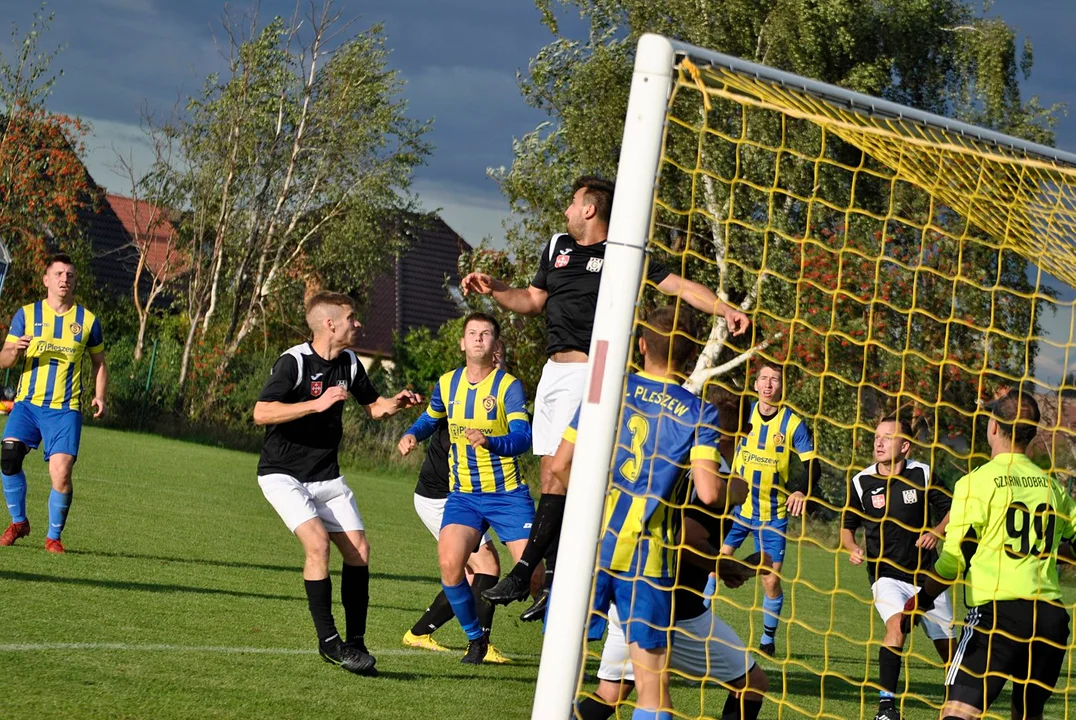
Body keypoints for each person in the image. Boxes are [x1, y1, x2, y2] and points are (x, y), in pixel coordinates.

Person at [469, 175, 750, 621]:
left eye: (571, 202)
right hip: (554, 374)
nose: (565, 211)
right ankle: (551, 577)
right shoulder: (557, 245)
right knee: (551, 473)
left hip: (592, 371)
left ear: (590, 209)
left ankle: (535, 574)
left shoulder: (623, 253)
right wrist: (497, 288)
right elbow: (533, 299)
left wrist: (726, 309)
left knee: (563, 472)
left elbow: (677, 286)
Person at [550, 306, 730, 720]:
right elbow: (707, 492)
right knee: (652, 685)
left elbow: (559, 466)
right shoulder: (700, 412)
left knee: (562, 663)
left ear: (643, 344)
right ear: (689, 355)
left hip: (592, 549)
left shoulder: (610, 388)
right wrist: (731, 487)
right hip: (650, 558)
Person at [253, 291, 422, 676]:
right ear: (330, 324)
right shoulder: (293, 361)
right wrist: (316, 403)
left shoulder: (348, 362)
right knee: (317, 544)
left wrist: (395, 402)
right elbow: (261, 412)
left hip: (326, 475)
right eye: (352, 317)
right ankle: (330, 643)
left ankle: (356, 645)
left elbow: (374, 407)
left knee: (359, 550)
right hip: (282, 474)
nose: (357, 323)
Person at [901, 391, 1075, 720]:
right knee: (1028, 714)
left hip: (999, 617)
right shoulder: (1053, 488)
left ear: (993, 427)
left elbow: (954, 560)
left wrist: (921, 602)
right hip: (1050, 620)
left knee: (956, 713)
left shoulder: (976, 483)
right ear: (1033, 433)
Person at [397, 312, 534, 664]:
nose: (477, 338)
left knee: (533, 575)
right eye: (472, 333)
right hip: (464, 497)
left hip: (507, 495)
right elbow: (431, 417)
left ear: (494, 344)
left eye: (485, 334)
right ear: (462, 342)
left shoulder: (508, 386)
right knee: (450, 565)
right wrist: (413, 433)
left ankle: (562, 645)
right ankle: (476, 641)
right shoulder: (447, 383)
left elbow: (523, 438)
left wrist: (491, 442)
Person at [575, 492, 771, 720]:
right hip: (675, 613)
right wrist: (730, 568)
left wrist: (731, 568)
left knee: (610, 693)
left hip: (628, 595)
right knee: (751, 685)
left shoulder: (665, 475)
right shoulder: (714, 487)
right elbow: (687, 540)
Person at [842, 415, 954, 720]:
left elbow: (951, 509)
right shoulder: (861, 481)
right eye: (877, 436)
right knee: (897, 625)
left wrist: (936, 532)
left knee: (950, 652)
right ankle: (886, 709)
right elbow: (847, 526)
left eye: (887, 437)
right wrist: (852, 548)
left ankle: (960, 705)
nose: (878, 442)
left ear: (905, 446)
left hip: (928, 577)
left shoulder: (923, 474)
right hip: (885, 576)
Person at [0, 253, 108, 553]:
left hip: (65, 408)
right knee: (8, 456)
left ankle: (53, 538)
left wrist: (100, 396)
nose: (64, 279)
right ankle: (19, 523)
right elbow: (4, 358)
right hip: (27, 404)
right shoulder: (26, 315)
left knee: (61, 472)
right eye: (58, 274)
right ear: (46, 279)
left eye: (70, 275)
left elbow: (99, 363)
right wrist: (15, 351)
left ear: (74, 281)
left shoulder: (87, 321)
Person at [719, 360, 820, 657]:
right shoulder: (742, 414)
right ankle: (697, 631)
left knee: (771, 580)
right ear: (755, 384)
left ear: (781, 386)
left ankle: (767, 640)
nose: (768, 384)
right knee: (711, 568)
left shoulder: (793, 424)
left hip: (772, 515)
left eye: (774, 380)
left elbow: (810, 463)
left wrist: (801, 489)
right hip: (735, 510)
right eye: (763, 378)